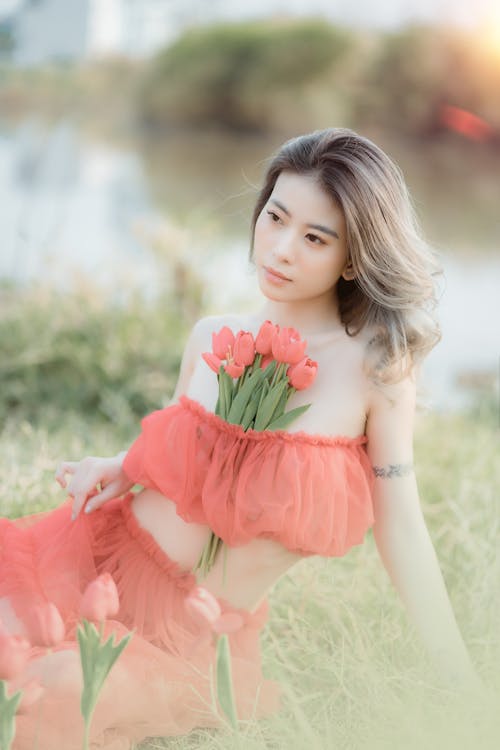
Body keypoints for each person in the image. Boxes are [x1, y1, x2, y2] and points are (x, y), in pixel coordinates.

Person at [0, 127, 484, 749]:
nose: (280, 250)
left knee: (50, 693)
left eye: (315, 238)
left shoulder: (375, 369)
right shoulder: (212, 336)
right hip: (96, 560)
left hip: (185, 630)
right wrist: (122, 463)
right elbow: (185, 450)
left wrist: (457, 673)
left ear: (355, 256)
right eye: (275, 218)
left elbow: (402, 526)